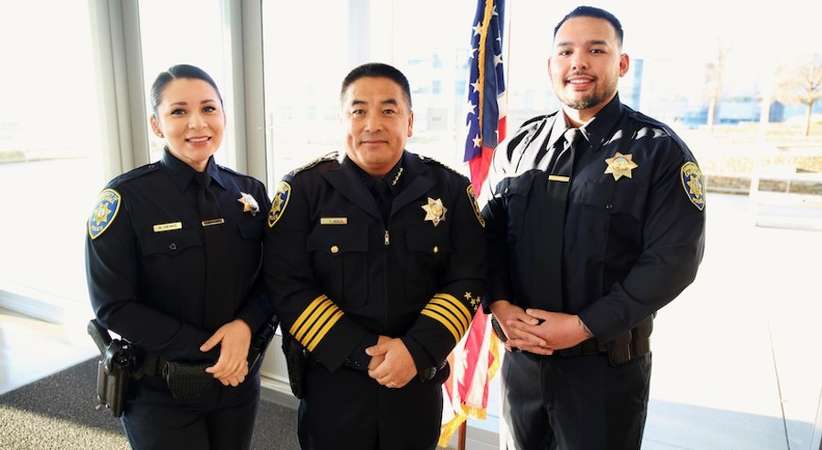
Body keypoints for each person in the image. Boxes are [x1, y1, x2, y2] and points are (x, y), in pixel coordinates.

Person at [481, 6, 706, 449]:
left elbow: (673, 261)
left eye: (595, 49)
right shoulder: (518, 149)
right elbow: (484, 239)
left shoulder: (658, 152)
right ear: (551, 66)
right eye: (565, 51)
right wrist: (501, 305)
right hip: (522, 368)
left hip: (604, 374)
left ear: (621, 63)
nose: (578, 62)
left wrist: (584, 325)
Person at [264, 62, 487, 450]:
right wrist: (362, 354)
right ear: (342, 119)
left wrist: (414, 351)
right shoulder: (304, 190)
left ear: (410, 121)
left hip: (416, 377)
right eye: (359, 110)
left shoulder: (449, 189)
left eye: (388, 110)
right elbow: (287, 285)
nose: (373, 124)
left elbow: (467, 277)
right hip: (334, 380)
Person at [85, 64, 275, 450]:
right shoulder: (125, 199)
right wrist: (211, 348)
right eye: (178, 111)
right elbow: (113, 305)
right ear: (156, 125)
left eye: (208, 109)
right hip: (159, 390)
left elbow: (274, 277)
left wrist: (245, 326)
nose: (197, 123)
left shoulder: (249, 193)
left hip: (236, 381)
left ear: (223, 116)